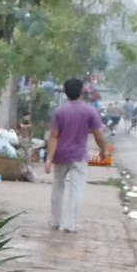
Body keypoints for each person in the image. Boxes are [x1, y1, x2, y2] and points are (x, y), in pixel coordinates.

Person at [47, 77, 112, 232]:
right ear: (82, 91)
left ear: (66, 92)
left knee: (58, 185)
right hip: (79, 156)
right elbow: (98, 134)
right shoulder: (90, 110)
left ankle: (55, 221)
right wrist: (104, 149)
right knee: (76, 188)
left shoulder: (59, 112)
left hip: (60, 154)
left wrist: (49, 158)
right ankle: (69, 224)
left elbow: (54, 136)